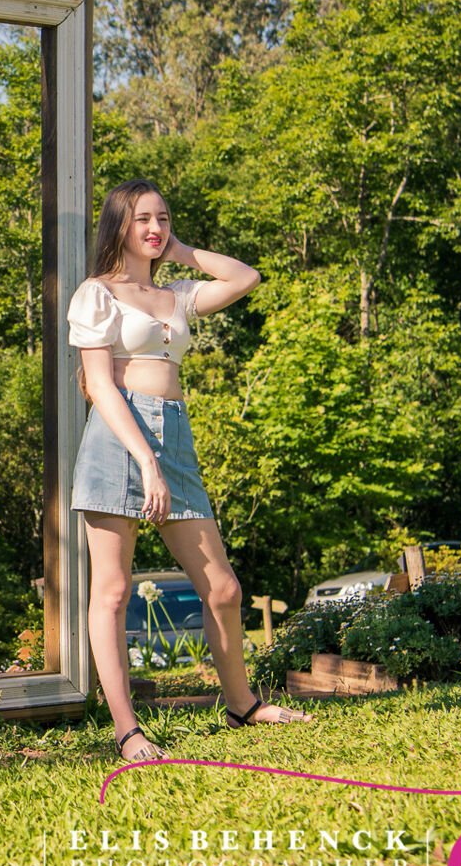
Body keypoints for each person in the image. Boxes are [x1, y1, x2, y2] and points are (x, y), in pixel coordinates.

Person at [67, 179, 312, 764]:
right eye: (142, 219)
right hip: (118, 439)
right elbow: (99, 385)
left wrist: (178, 251)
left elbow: (245, 277)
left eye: (164, 218)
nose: (154, 227)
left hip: (174, 437)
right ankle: (127, 729)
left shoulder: (176, 294)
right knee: (115, 589)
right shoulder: (96, 294)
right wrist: (145, 460)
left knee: (223, 588)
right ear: (118, 226)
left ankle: (242, 706)